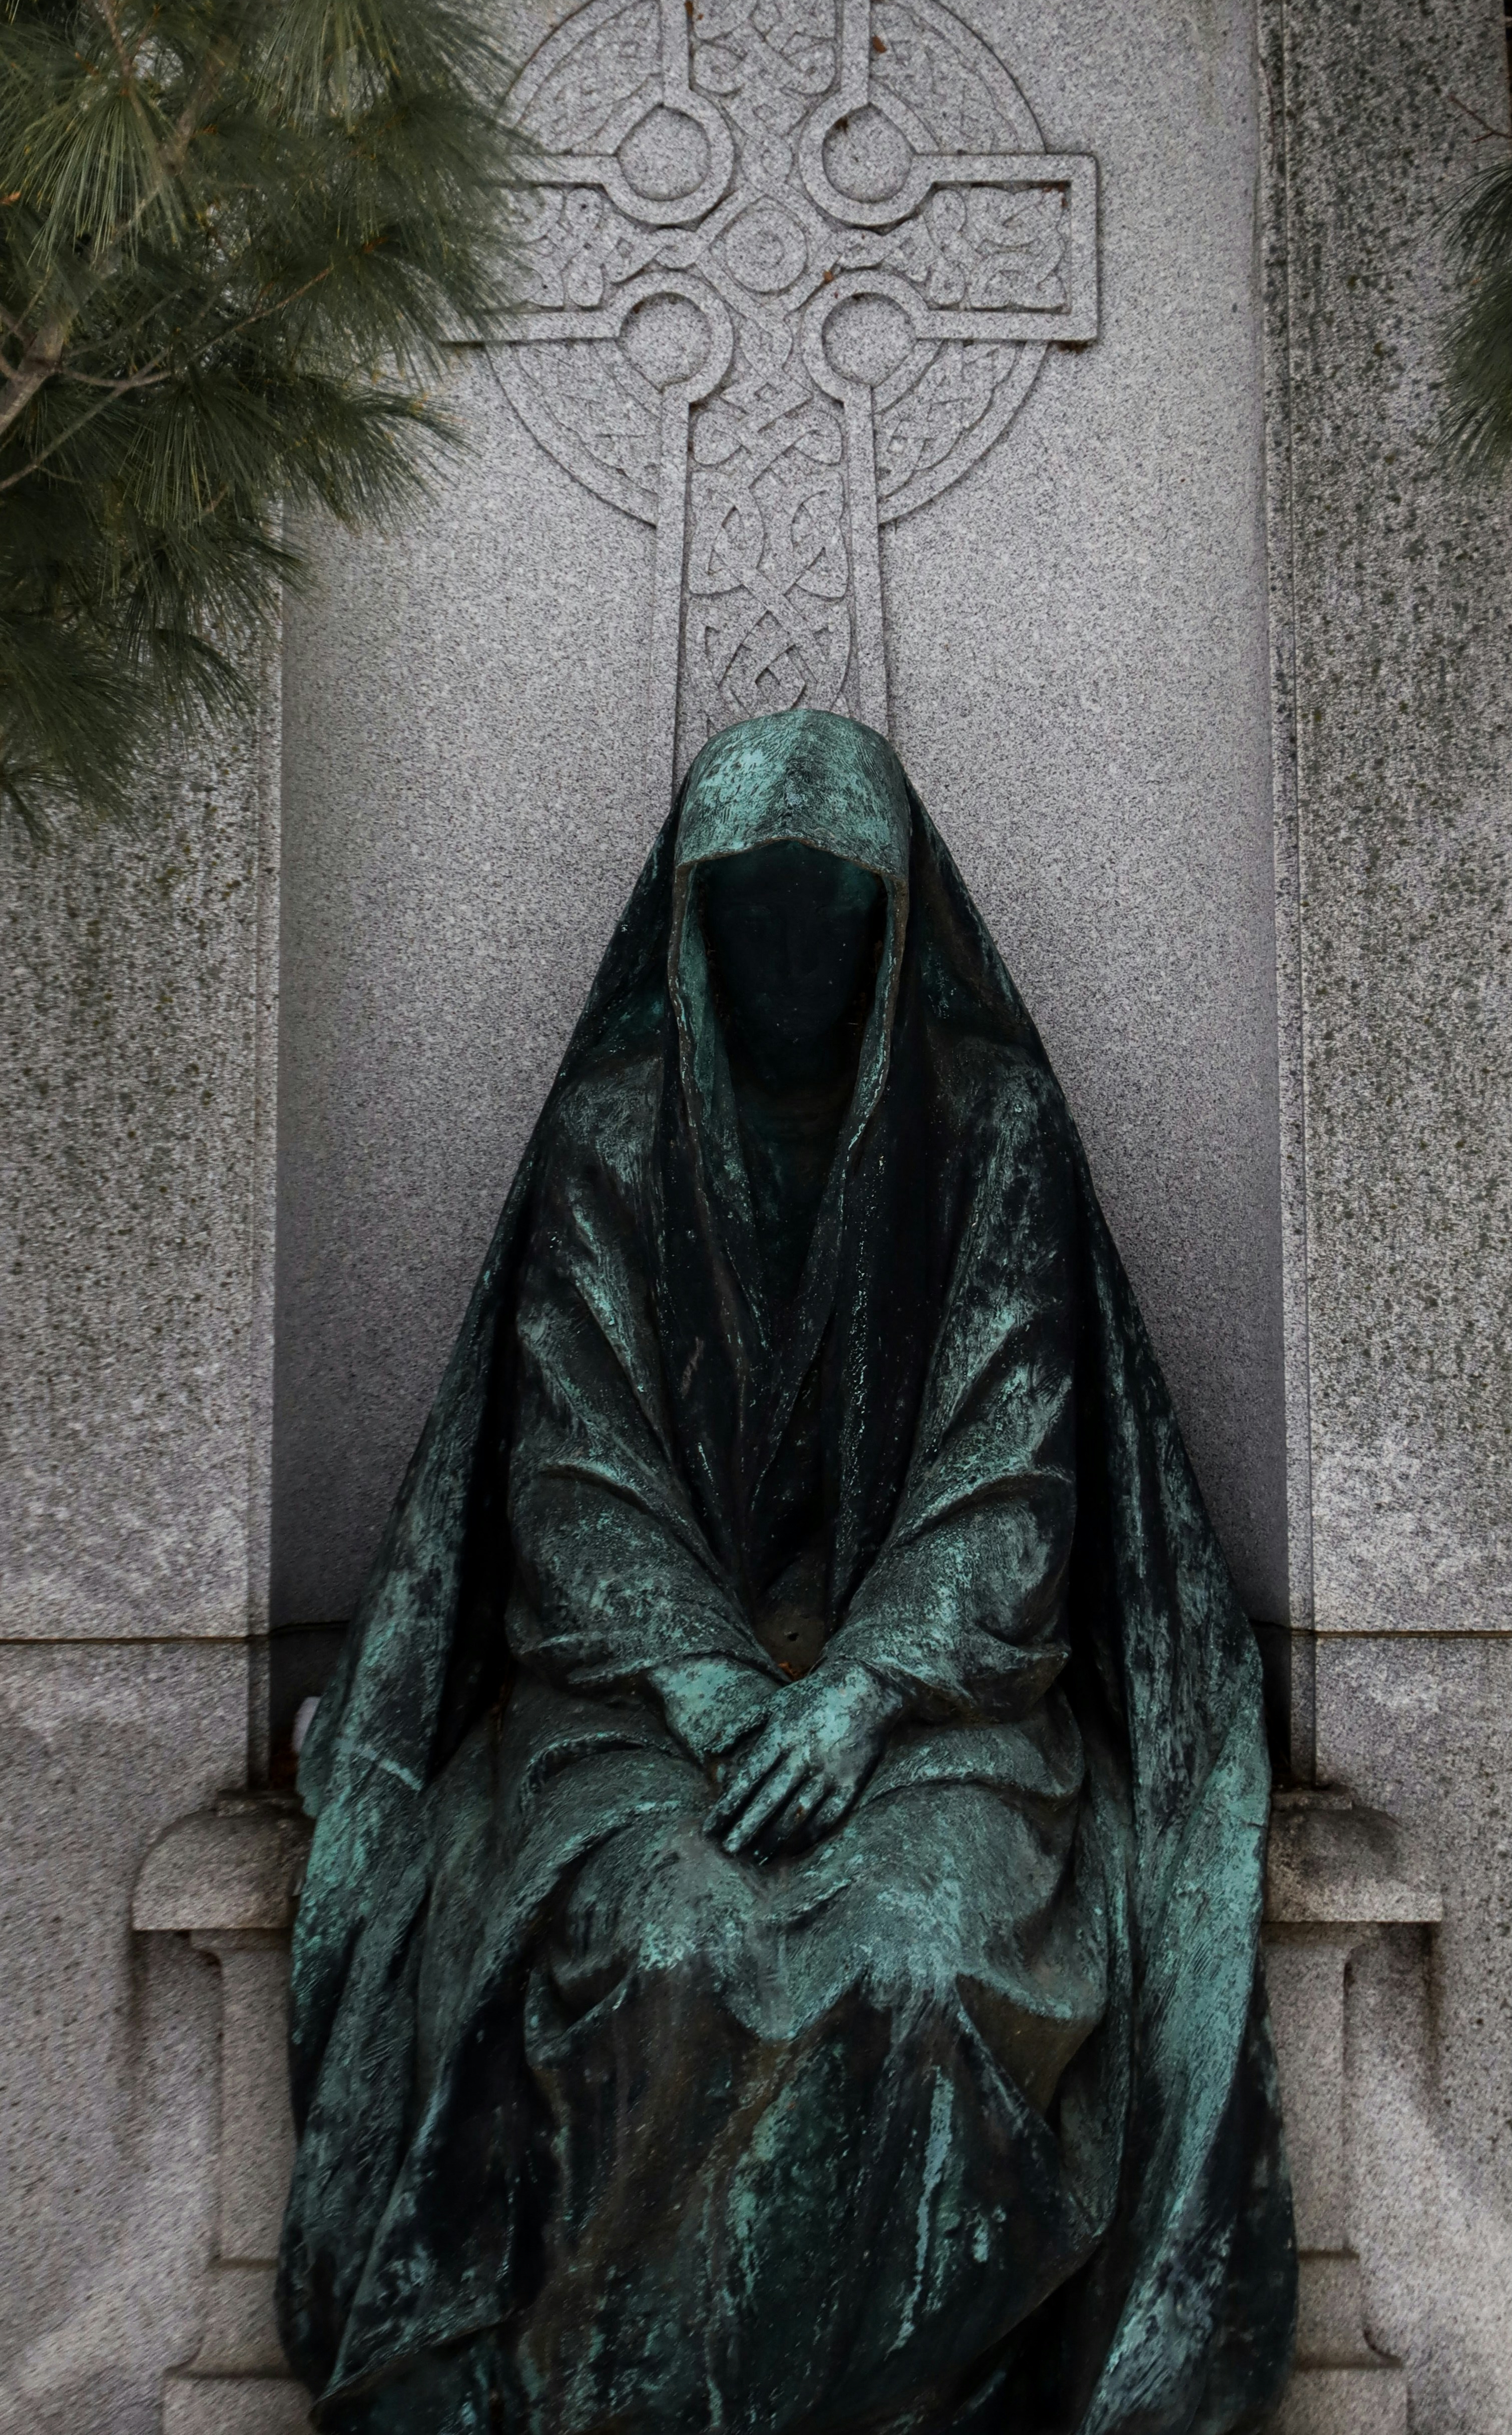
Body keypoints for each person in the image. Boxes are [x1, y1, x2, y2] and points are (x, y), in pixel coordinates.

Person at [278, 710, 1295, 2435]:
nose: (791, 944)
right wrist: (707, 1678)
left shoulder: (996, 1134)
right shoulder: (612, 1138)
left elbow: (1012, 1478)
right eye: (748, 902)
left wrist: (855, 1697)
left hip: (939, 1703)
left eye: (832, 904)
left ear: (898, 921)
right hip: (635, 1695)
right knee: (655, 1937)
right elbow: (570, 1467)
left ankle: (920, 2395)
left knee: (926, 1948)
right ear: (688, 919)